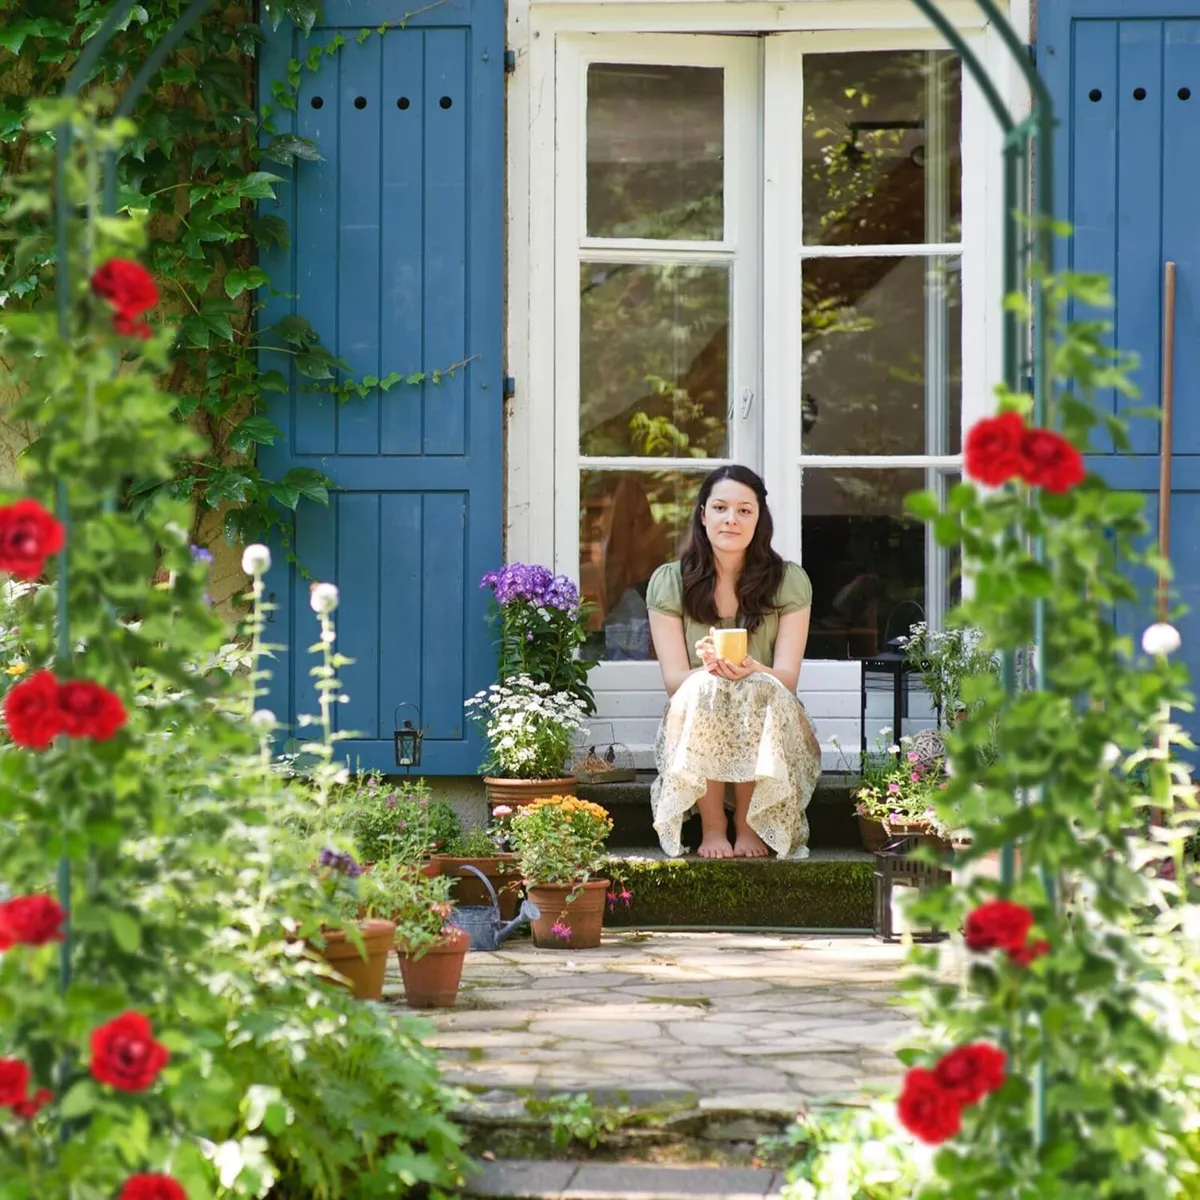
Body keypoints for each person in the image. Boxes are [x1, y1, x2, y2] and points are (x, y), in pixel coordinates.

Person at [646, 465, 821, 859]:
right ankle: (713, 826)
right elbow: (675, 681)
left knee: (755, 687)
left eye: (745, 510)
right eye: (721, 508)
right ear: (703, 514)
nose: (731, 519)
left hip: (772, 714)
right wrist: (712, 669)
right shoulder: (670, 582)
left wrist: (752, 669)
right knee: (706, 686)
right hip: (695, 711)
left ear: (759, 519)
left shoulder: (788, 581)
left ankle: (748, 823)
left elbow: (787, 679)